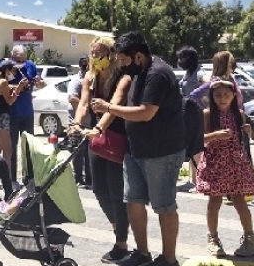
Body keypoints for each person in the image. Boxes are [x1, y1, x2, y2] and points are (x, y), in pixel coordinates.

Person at [100, 32, 185, 266]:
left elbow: (146, 113)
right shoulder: (137, 72)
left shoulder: (157, 74)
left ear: (138, 56)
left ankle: (169, 259)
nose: (122, 65)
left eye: (124, 60)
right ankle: (142, 252)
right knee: (133, 201)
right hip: (136, 149)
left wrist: (108, 107)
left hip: (162, 152)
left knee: (164, 205)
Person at [74, 37, 132, 262]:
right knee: (98, 189)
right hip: (97, 136)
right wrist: (78, 124)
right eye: (93, 53)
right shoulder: (91, 77)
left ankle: (121, 243)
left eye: (100, 53)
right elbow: (83, 103)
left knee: (117, 191)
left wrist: (99, 127)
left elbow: (115, 107)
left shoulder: (123, 78)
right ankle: (119, 227)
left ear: (111, 54)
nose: (95, 58)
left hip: (117, 134)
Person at [197, 80, 254, 257]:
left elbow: (250, 136)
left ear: (234, 96)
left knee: (240, 201)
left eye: (226, 95)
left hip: (235, 163)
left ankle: (250, 239)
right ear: (212, 97)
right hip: (215, 162)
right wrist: (215, 135)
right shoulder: (207, 114)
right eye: (218, 95)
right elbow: (199, 139)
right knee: (214, 201)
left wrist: (249, 131)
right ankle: (213, 238)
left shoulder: (239, 114)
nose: (222, 99)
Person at [5, 44, 44, 179]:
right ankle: (12, 178)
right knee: (12, 147)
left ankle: (29, 176)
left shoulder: (31, 65)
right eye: (18, 59)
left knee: (28, 146)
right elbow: (0, 85)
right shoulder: (6, 65)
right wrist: (19, 86)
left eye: (23, 59)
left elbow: (39, 83)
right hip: (12, 112)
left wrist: (38, 82)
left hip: (27, 112)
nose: (21, 62)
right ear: (13, 56)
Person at [0, 59, 22, 174]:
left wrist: (14, 90)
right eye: (13, 71)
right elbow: (10, 101)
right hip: (1, 118)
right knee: (8, 151)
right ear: (7, 70)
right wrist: (20, 87)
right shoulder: (3, 82)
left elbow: (4, 97)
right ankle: (6, 178)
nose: (14, 73)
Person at [175, 46, 202, 194]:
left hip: (197, 113)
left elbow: (209, 84)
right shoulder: (188, 73)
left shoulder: (200, 73)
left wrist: (196, 97)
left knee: (197, 147)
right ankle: (193, 180)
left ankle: (200, 180)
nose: (179, 61)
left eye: (181, 58)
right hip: (187, 113)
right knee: (191, 147)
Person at [68, 57, 89, 188]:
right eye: (85, 66)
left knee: (88, 152)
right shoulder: (77, 81)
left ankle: (89, 178)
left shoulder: (92, 79)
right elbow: (71, 98)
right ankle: (78, 178)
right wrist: (86, 105)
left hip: (89, 122)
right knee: (77, 151)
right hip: (76, 122)